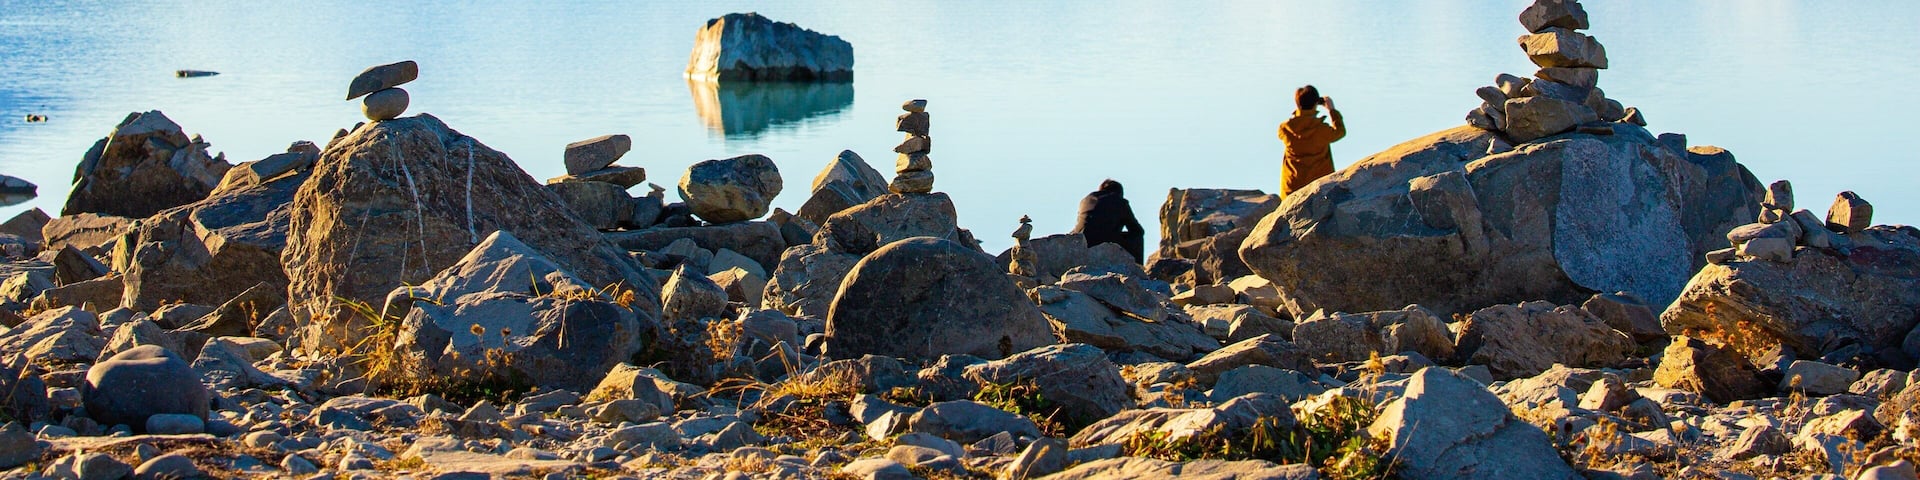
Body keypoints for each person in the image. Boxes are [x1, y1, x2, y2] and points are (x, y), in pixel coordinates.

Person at [1279, 85, 1347, 197]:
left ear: (1297, 103)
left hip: (1292, 190)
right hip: (1319, 189)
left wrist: (1298, 114)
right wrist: (1331, 110)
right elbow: (1340, 132)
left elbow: (1284, 132)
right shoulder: (1322, 129)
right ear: (1316, 103)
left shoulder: (1285, 128)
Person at [1071, 179, 1146, 263]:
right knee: (1137, 235)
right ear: (1119, 193)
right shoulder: (1119, 201)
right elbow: (1137, 229)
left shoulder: (1086, 200)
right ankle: (1138, 269)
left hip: (1080, 240)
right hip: (1103, 241)